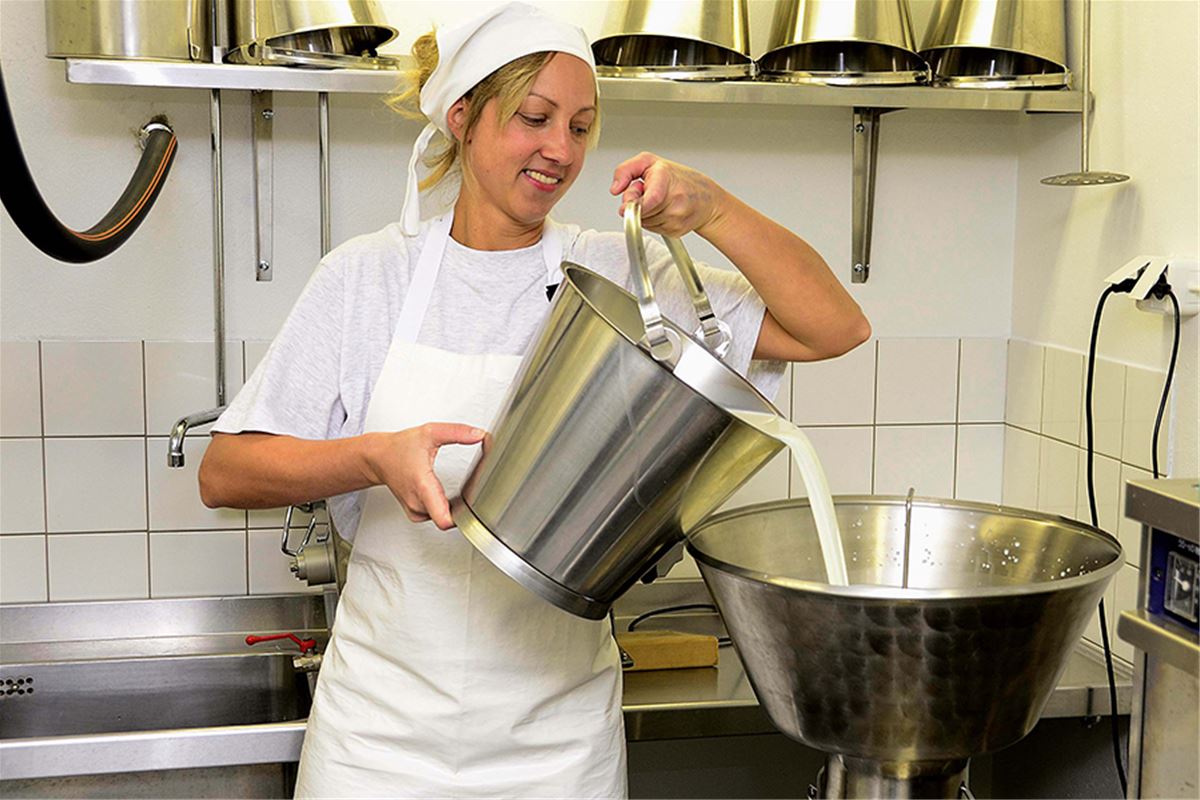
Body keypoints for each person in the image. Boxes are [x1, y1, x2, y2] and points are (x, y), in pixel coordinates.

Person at [199, 3, 869, 797]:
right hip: (378, 742)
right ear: (464, 119)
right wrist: (372, 456)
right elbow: (225, 472)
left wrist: (713, 210)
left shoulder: (621, 278)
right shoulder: (366, 279)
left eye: (582, 127)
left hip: (558, 747)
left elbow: (834, 326)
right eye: (535, 117)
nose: (561, 150)